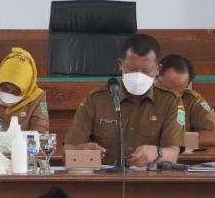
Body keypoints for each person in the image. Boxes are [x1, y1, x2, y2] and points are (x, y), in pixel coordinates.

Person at [63, 33, 185, 167]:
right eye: (132, 69)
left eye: (146, 70)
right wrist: (80, 151)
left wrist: (157, 153)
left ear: (157, 69)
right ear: (121, 65)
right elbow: (68, 151)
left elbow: (173, 153)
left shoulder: (170, 102)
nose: (138, 75)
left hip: (149, 179)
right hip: (103, 180)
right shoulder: (96, 100)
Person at [156, 54, 215, 147]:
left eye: (176, 93)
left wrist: (172, 139)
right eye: (165, 89)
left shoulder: (190, 100)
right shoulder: (138, 95)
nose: (169, 97)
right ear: (156, 73)